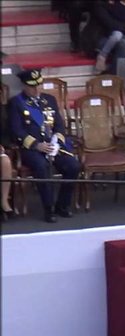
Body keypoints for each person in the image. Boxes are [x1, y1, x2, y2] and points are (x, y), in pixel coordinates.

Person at [8, 70, 81, 224]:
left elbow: (60, 125)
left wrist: (56, 141)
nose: (37, 89)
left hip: (53, 145)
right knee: (42, 167)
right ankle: (49, 208)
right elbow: (16, 131)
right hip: (32, 148)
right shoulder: (16, 103)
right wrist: (37, 145)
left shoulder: (49, 100)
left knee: (73, 166)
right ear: (24, 86)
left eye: (39, 85)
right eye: (32, 86)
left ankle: (63, 205)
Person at [93, 0, 125, 73]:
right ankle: (104, 58)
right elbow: (112, 23)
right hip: (112, 33)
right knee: (120, 38)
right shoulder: (114, 5)